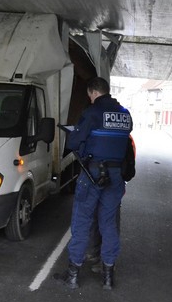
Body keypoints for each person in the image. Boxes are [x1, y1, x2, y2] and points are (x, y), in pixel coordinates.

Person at [54, 77, 133, 290]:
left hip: (92, 176)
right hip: (115, 176)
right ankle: (108, 277)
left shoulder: (92, 112)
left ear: (92, 92)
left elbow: (73, 142)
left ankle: (72, 274)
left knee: (82, 222)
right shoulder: (125, 115)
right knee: (108, 225)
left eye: (89, 95)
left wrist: (78, 136)